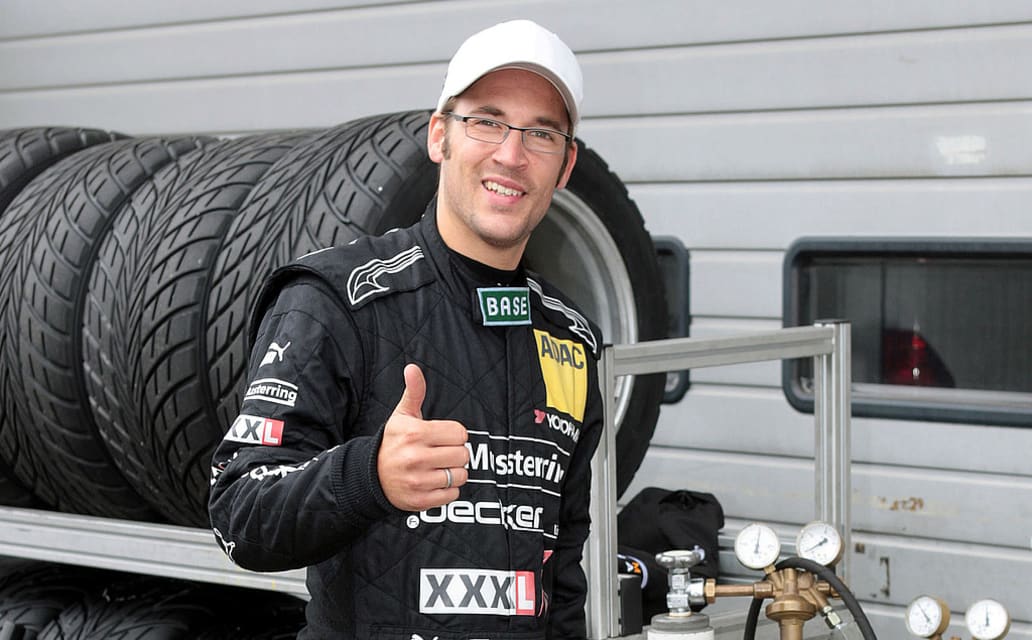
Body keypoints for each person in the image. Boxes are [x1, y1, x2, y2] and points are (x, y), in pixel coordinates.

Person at [208, 19, 604, 640]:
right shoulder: (335, 300)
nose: (512, 154)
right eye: (487, 121)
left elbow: (564, 569)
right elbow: (241, 515)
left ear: (566, 165)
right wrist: (370, 475)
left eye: (541, 133)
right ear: (439, 135)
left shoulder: (570, 338)